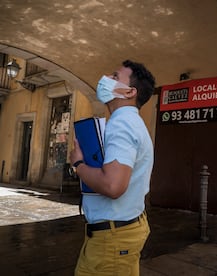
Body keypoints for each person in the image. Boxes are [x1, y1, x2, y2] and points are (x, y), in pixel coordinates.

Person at [70, 60, 155, 275]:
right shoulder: (132, 122)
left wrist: (78, 164)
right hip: (122, 233)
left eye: (116, 77)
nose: (107, 78)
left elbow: (113, 185)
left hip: (112, 240)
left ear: (129, 92)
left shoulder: (121, 123)